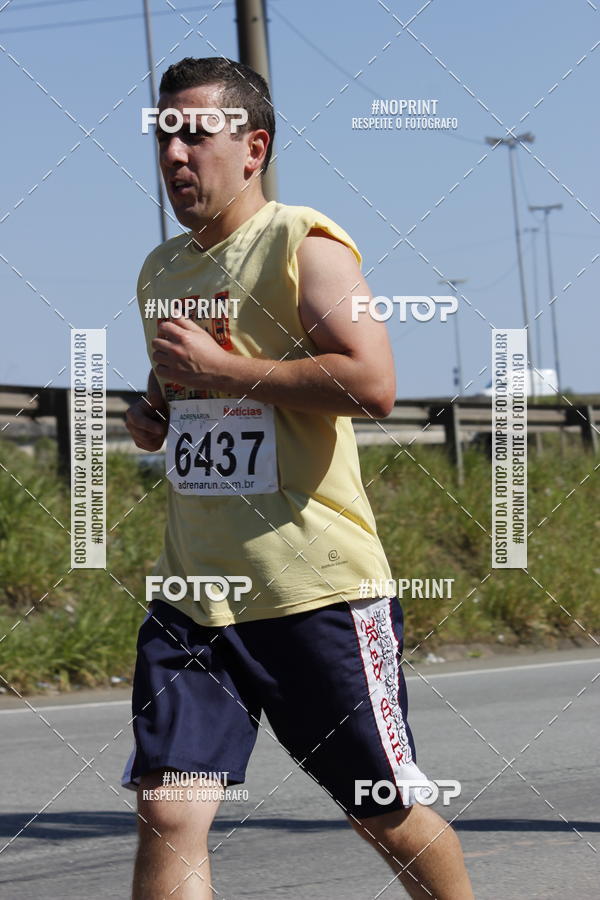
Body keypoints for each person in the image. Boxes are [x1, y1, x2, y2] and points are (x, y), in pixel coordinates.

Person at [122, 56, 474, 900]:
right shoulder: (160, 270)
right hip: (194, 598)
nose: (175, 155)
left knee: (381, 808)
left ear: (253, 147)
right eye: (164, 134)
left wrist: (222, 368)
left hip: (313, 592)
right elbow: (184, 397)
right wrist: (155, 417)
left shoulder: (303, 243)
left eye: (195, 136)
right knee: (170, 811)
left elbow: (373, 384)